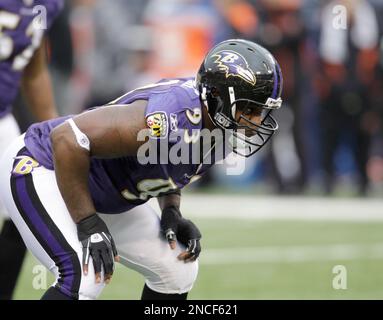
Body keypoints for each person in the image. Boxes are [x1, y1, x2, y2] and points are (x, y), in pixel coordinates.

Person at [0, 39, 283, 300]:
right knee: (84, 277)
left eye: (261, 110)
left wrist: (171, 209)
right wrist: (88, 223)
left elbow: (170, 166)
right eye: (249, 108)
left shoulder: (220, 128)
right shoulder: (168, 117)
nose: (257, 119)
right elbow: (67, 139)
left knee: (177, 270)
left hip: (97, 189)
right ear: (217, 96)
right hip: (44, 165)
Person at [0, 0, 63, 300]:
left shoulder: (45, 5)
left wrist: (56, 131)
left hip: (3, 120)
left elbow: (34, 70)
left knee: (24, 210)